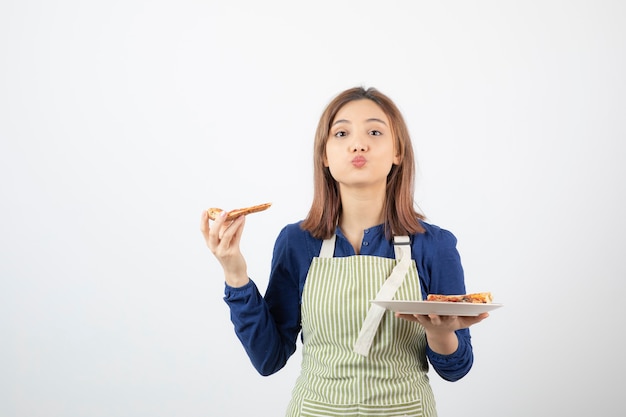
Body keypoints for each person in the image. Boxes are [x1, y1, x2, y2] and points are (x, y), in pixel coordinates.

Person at [200, 86, 488, 417]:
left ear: (398, 152)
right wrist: (234, 272)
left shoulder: (434, 245)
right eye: (341, 133)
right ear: (324, 155)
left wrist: (440, 334)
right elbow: (269, 358)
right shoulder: (297, 242)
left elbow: (456, 368)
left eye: (375, 131)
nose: (358, 143)